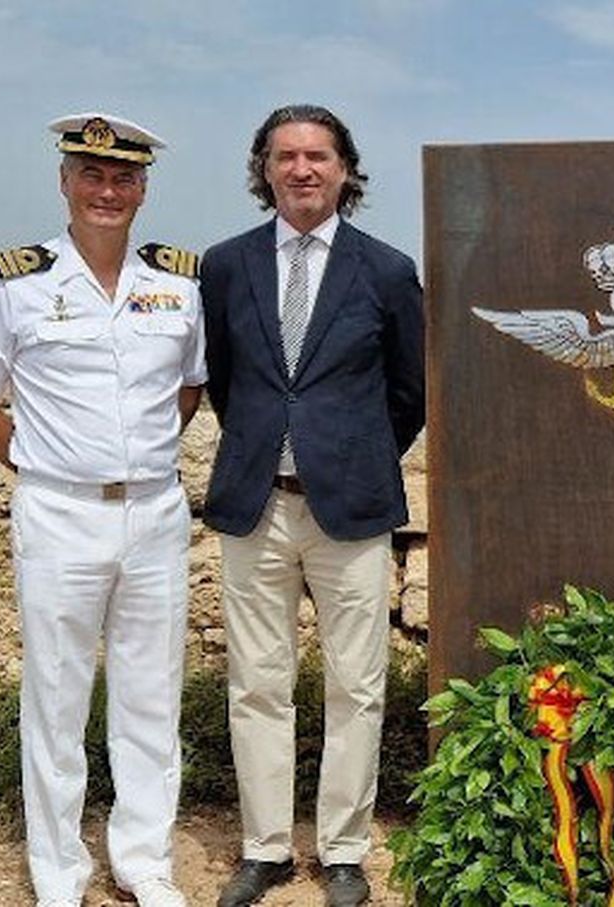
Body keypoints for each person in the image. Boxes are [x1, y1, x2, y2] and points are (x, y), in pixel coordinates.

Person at [0, 113, 204, 907]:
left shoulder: (177, 282)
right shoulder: (16, 280)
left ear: (144, 188)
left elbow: (187, 388)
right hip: (58, 515)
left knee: (152, 693)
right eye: (91, 174)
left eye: (124, 177)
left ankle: (144, 862)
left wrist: (133, 460)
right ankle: (58, 874)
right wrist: (45, 463)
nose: (108, 190)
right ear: (64, 182)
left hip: (154, 512)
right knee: (55, 698)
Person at [203, 104, 425, 907]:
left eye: (319, 156)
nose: (302, 169)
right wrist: (271, 449)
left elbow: (410, 392)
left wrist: (348, 457)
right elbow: (226, 382)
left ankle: (341, 852)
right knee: (257, 682)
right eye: (286, 155)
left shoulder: (388, 270)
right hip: (255, 503)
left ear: (345, 169)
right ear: (264, 168)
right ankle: (264, 848)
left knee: (356, 684)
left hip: (352, 508)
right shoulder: (224, 267)